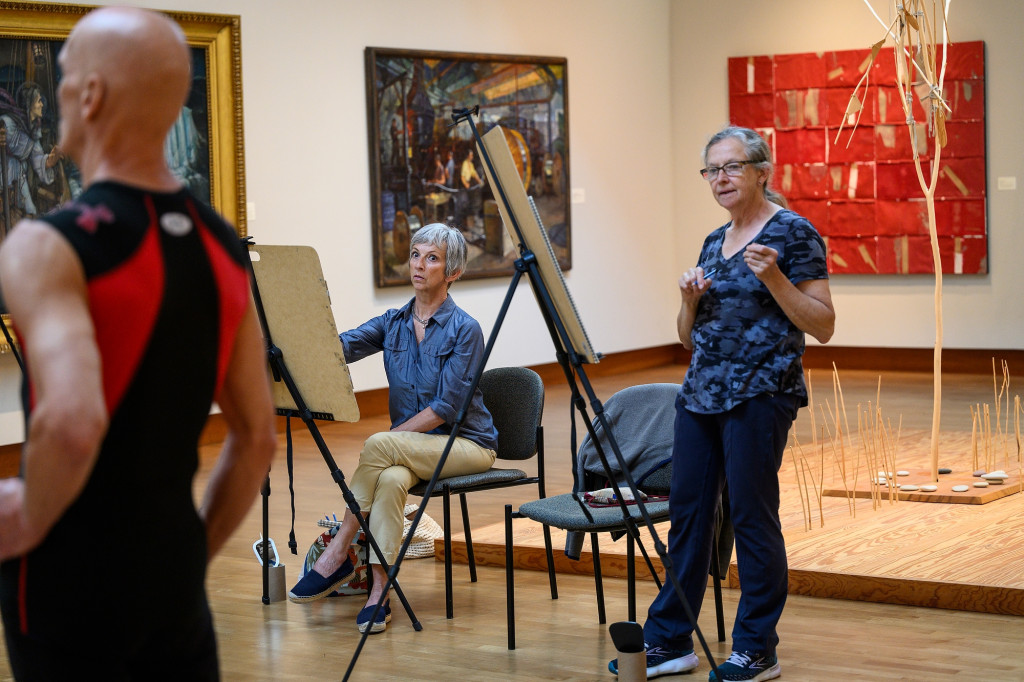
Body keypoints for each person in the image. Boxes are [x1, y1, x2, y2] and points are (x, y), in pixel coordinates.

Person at [0, 7, 276, 679]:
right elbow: (258, 437)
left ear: (90, 95)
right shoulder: (222, 247)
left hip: (66, 591)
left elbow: (71, 421)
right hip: (174, 585)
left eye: (65, 78)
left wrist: (25, 518)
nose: (58, 93)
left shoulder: (47, 244)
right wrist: (186, 559)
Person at [610, 126, 834, 681]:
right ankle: (670, 641)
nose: (721, 179)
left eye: (732, 167)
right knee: (688, 516)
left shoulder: (794, 234)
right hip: (701, 395)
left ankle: (757, 649)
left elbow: (824, 324)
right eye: (712, 170)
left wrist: (777, 279)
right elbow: (687, 337)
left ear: (763, 171)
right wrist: (687, 302)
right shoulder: (715, 242)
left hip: (762, 394)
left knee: (752, 518)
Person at [288, 222, 498, 635]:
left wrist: (393, 438)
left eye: (432, 258)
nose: (419, 264)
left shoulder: (465, 329)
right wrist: (289, 339)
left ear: (452, 272)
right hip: (410, 449)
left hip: (467, 444)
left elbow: (445, 408)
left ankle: (340, 550)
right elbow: (340, 347)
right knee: (388, 481)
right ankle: (379, 592)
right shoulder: (393, 322)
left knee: (380, 446)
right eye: (416, 254)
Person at [0, 82, 62, 221]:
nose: (41, 105)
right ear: (29, 103)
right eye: (38, 101)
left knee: (30, 214)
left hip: (18, 181)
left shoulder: (33, 129)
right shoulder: (7, 122)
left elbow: (37, 159)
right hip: (4, 178)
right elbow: (21, 151)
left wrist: (50, 160)